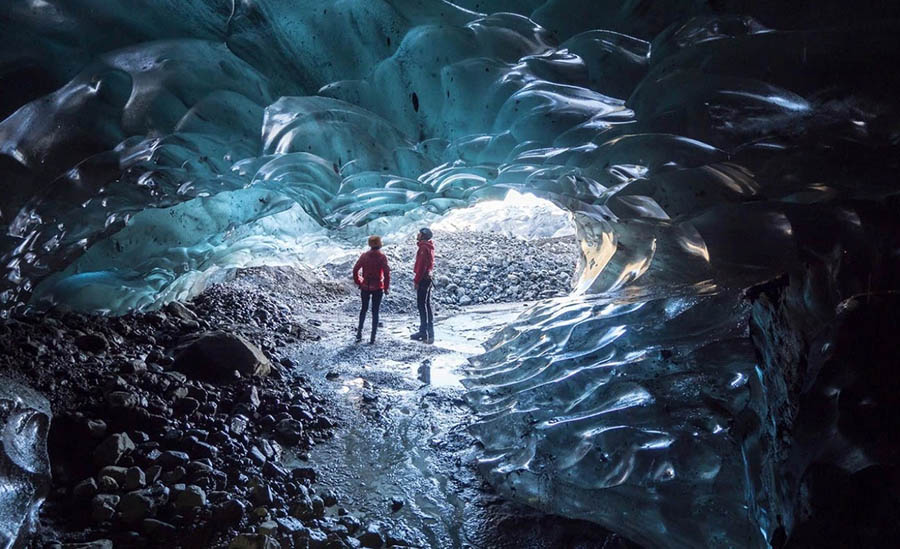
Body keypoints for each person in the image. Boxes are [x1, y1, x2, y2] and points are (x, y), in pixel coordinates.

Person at [352, 235, 390, 344]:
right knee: (375, 311)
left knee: (363, 309)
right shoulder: (382, 257)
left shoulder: (364, 256)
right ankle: (373, 337)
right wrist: (386, 287)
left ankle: (359, 333)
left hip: (365, 286)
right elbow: (387, 274)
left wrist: (359, 282)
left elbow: (355, 270)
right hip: (378, 286)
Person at [411, 227, 435, 344]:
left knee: (422, 305)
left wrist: (416, 280)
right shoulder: (428, 247)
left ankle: (423, 332)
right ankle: (430, 333)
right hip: (428, 278)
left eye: (419, 233)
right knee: (427, 305)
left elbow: (421, 267)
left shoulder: (423, 248)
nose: (417, 235)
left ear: (423, 236)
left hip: (423, 279)